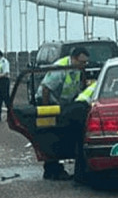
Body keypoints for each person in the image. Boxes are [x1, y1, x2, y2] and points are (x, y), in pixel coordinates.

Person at [35, 47, 90, 180]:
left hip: (64, 104)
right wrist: (47, 111)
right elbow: (46, 89)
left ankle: (54, 167)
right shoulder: (60, 68)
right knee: (51, 135)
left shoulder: (78, 69)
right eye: (82, 62)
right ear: (74, 58)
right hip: (49, 102)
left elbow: (79, 86)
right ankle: (51, 168)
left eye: (86, 63)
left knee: (63, 133)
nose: (84, 65)